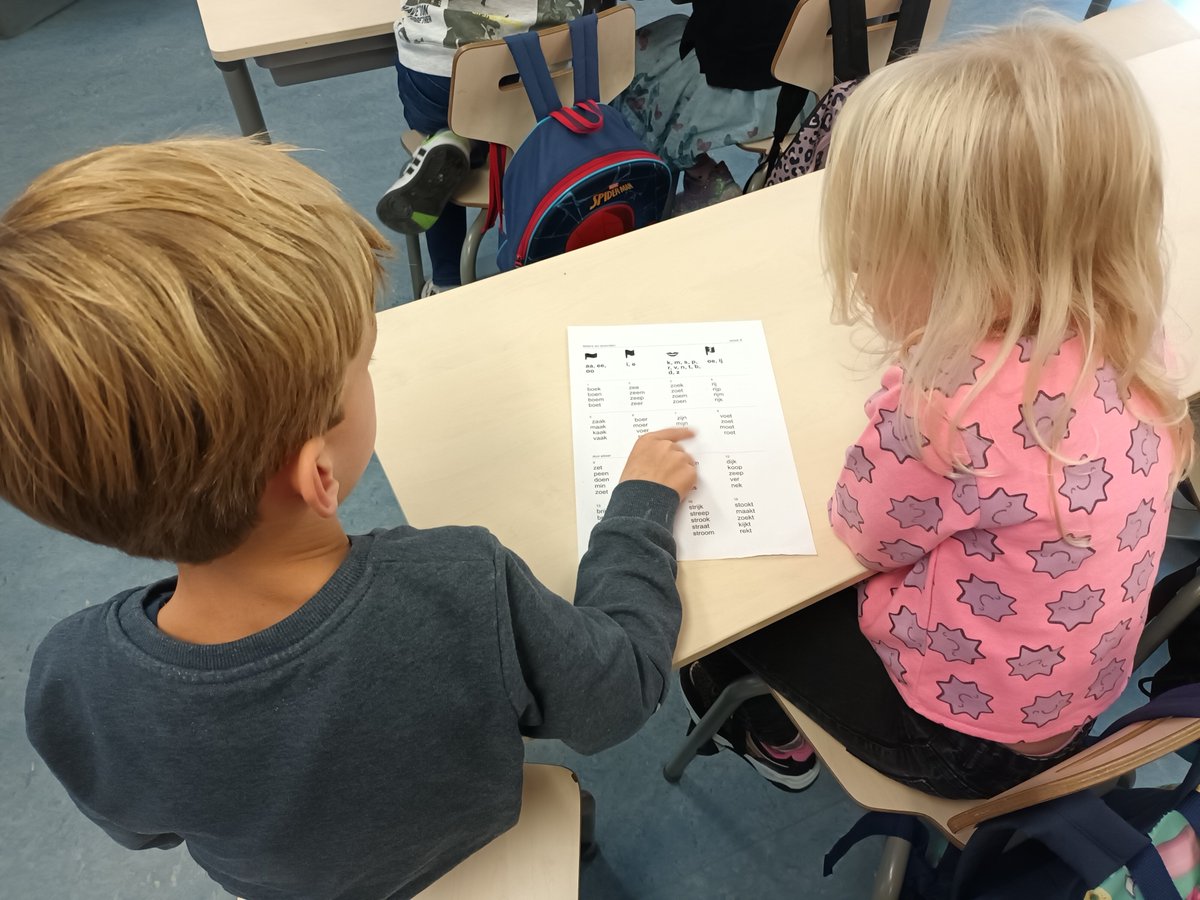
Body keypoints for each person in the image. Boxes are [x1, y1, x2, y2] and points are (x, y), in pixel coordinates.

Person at [4, 137, 697, 899]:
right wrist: (638, 513)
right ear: (319, 474)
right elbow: (619, 693)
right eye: (364, 364)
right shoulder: (461, 584)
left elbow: (142, 828)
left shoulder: (75, 679)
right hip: (483, 839)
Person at [680, 21, 1195, 800]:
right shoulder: (1132, 332)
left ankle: (763, 726)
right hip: (1082, 704)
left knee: (727, 595)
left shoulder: (950, 409)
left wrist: (910, 382)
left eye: (877, 243)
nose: (856, 262)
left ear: (966, 266)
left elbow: (861, 526)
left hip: (953, 742)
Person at [377, 0, 592, 296]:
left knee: (448, 129)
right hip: (544, 69)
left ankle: (446, 282)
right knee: (522, 136)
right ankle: (520, 267)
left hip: (439, 70)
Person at [617, 0, 800, 213]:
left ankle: (702, 176)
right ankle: (770, 167)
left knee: (623, 60)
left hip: (732, 96)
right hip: (811, 93)